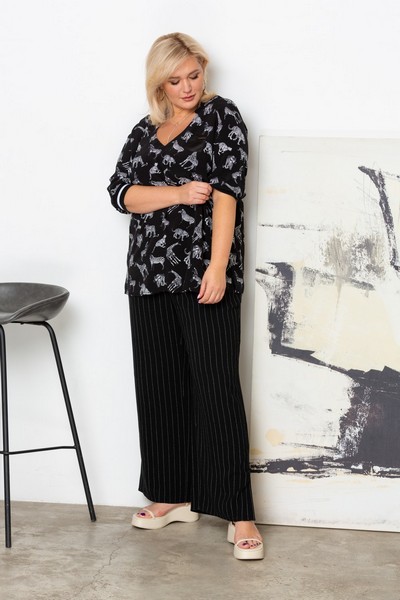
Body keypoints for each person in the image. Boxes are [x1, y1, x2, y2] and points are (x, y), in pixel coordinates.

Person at [107, 32, 263, 560]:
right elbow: (121, 194)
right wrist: (176, 193)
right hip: (147, 274)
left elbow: (227, 194)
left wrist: (218, 267)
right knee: (159, 387)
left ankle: (239, 513)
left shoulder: (223, 117)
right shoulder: (143, 130)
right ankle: (172, 495)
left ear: (203, 68)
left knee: (217, 389)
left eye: (193, 75)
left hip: (203, 273)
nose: (187, 87)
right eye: (174, 80)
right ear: (160, 84)